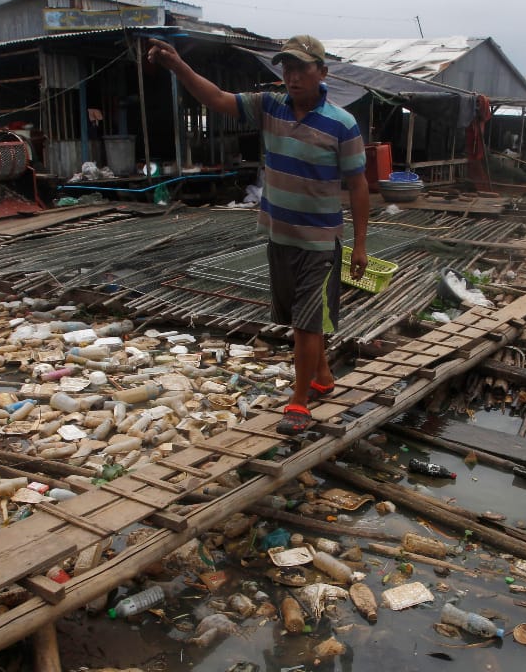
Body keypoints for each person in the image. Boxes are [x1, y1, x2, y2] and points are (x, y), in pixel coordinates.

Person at [147, 34, 369, 434]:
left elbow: (358, 186)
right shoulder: (269, 107)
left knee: (306, 323)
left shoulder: (343, 124)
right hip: (279, 237)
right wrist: (179, 66)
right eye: (287, 67)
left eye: (302, 68)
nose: (293, 76)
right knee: (301, 320)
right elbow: (216, 99)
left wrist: (360, 246)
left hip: (319, 243)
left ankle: (299, 403)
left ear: (322, 72)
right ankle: (322, 376)